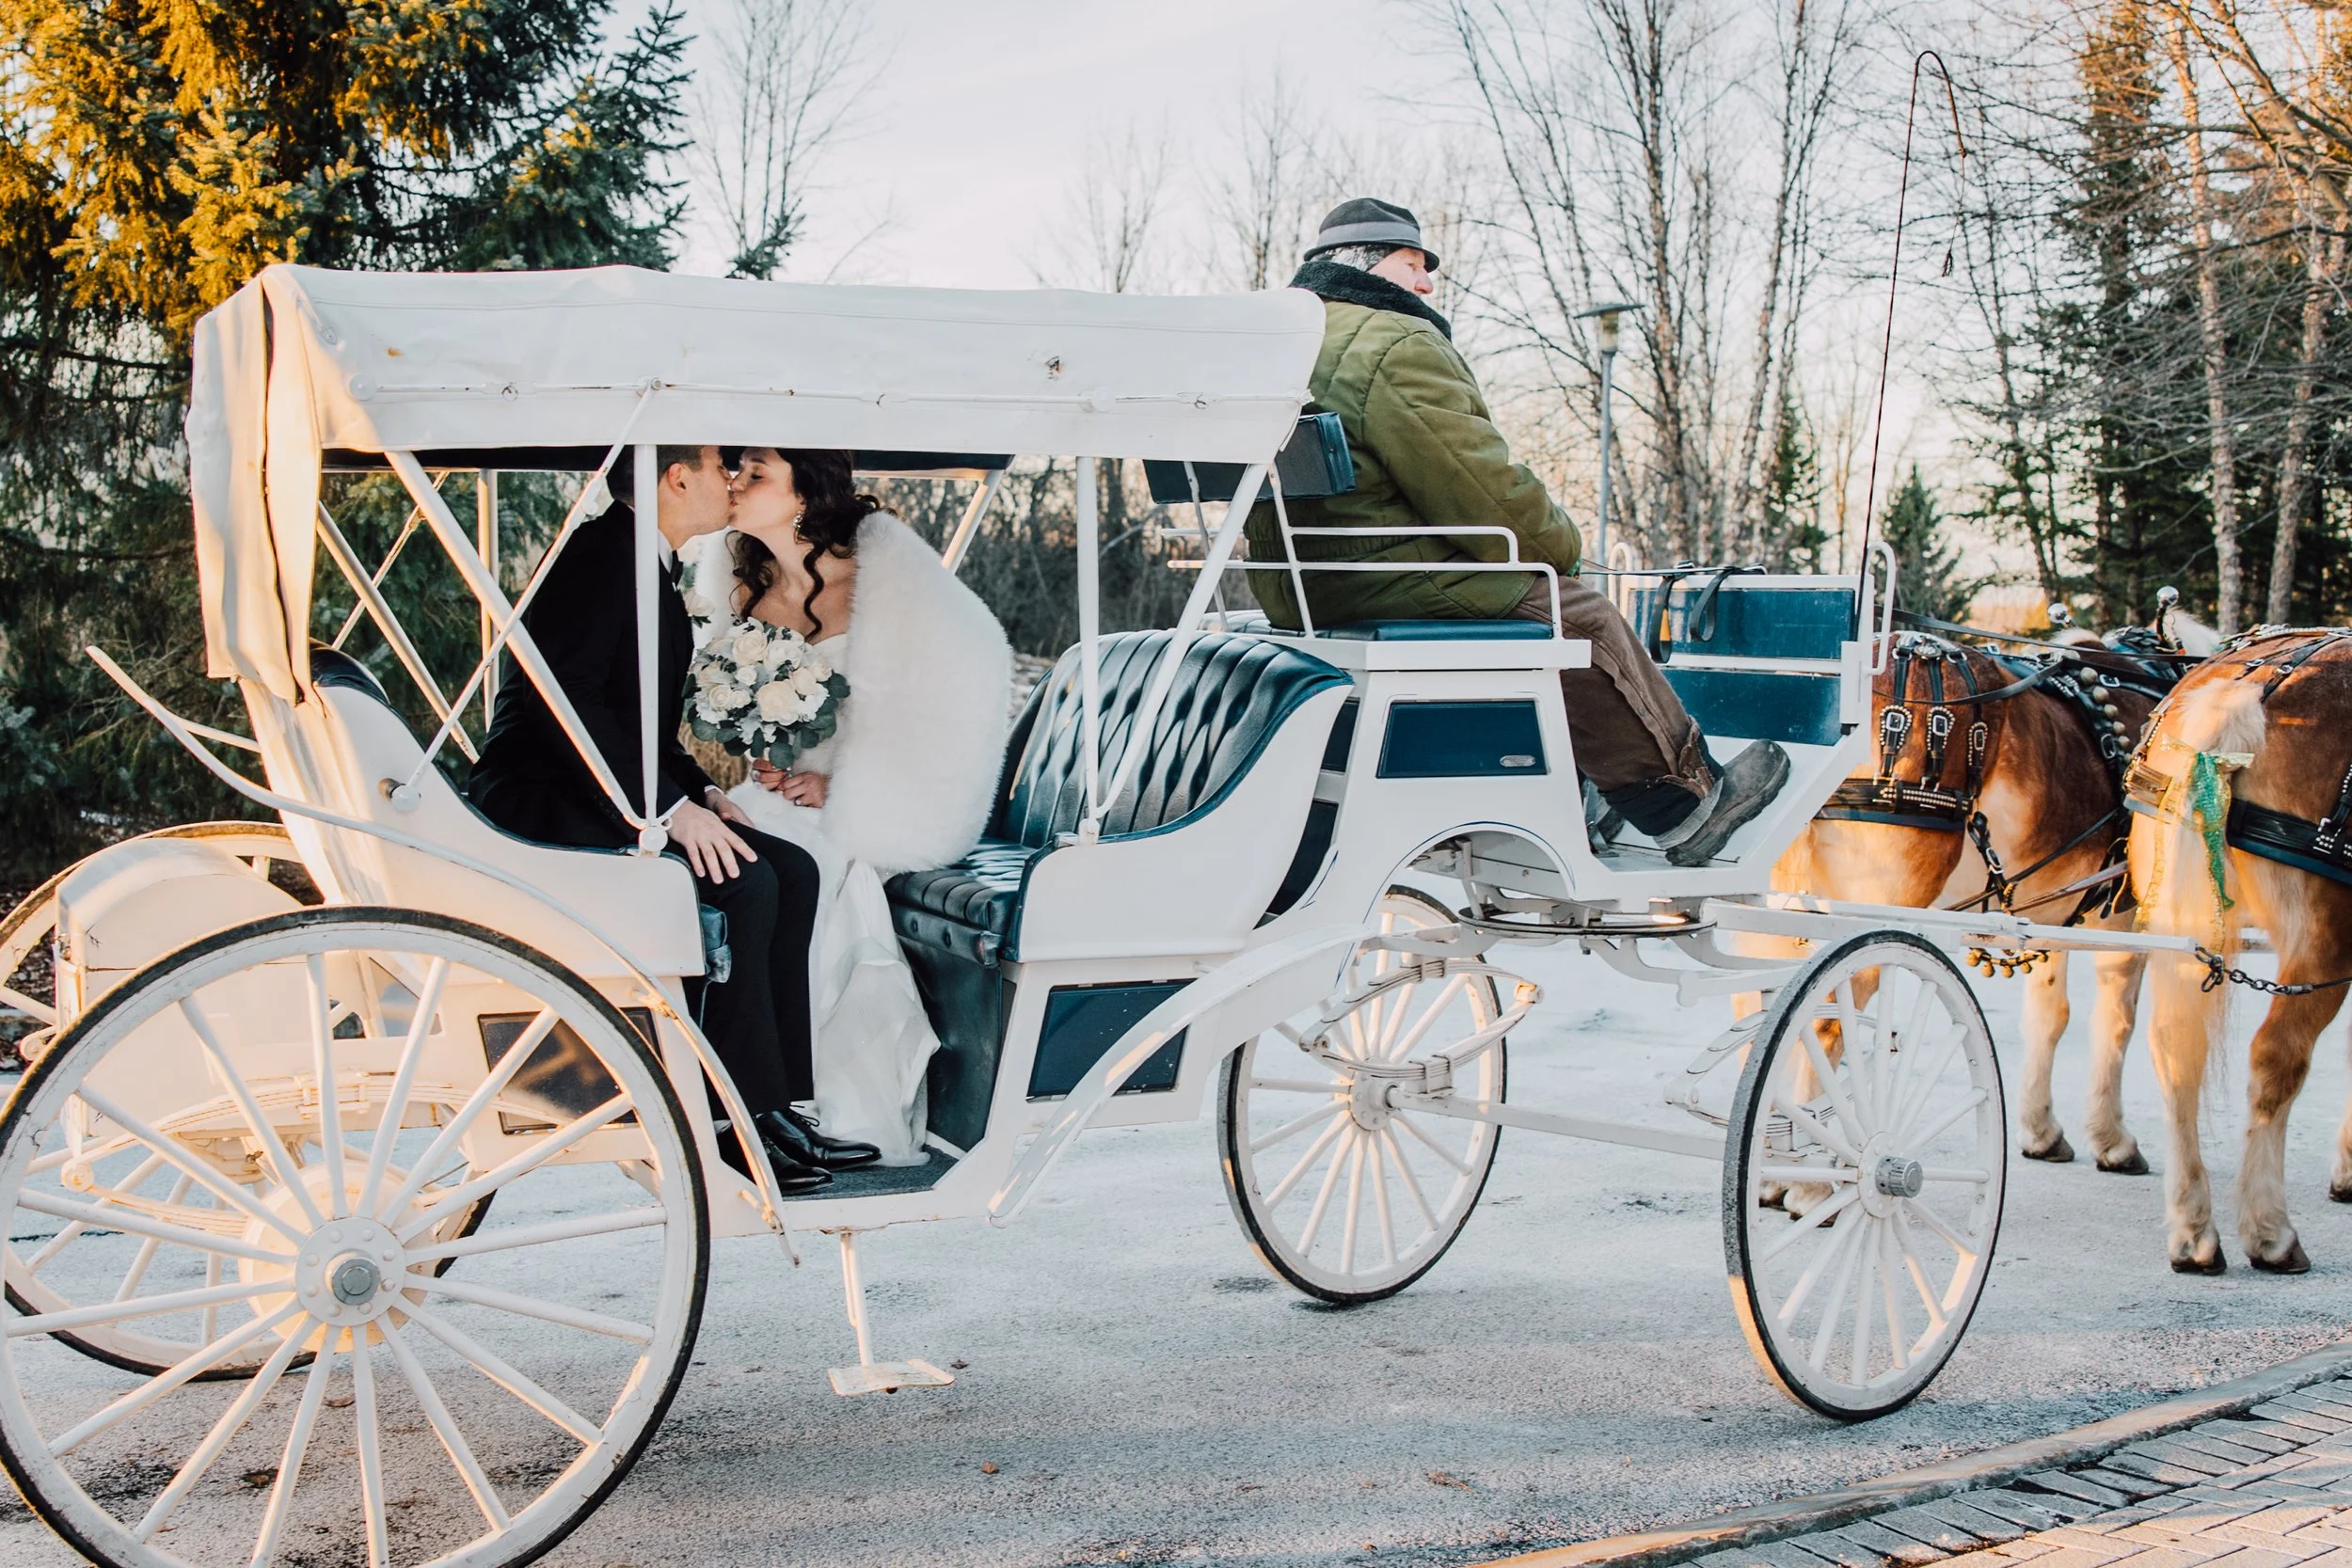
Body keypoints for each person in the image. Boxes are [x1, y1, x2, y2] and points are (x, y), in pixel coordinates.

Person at [1247, 198, 1791, 867]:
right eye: (1412, 264)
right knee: (1578, 615)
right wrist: (1560, 547)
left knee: (1538, 600)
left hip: (1304, 588)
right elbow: (1480, 491)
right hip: (1383, 582)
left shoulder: (1283, 345)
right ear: (1362, 264)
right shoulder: (1394, 343)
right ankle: (1688, 802)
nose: (1426, 283)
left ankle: (1579, 780)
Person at [467, 443, 879, 1194]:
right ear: (675, 475)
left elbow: (637, 725)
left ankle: (775, 1103)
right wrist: (663, 811)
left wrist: (702, 793)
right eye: (723, 466)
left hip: (595, 783)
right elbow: (572, 711)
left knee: (792, 866)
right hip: (543, 796)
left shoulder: (639, 559)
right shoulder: (601, 558)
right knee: (744, 884)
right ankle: (727, 1121)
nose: (731, 481)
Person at [686, 447, 1010, 1164]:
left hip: (867, 802)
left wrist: (847, 786)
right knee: (736, 846)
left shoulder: (883, 578)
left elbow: (964, 691)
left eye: (757, 472)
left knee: (815, 871)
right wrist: (761, 751)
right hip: (774, 794)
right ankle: (742, 1094)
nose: (735, 483)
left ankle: (813, 1105)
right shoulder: (739, 582)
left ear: (805, 489)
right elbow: (742, 706)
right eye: (734, 469)